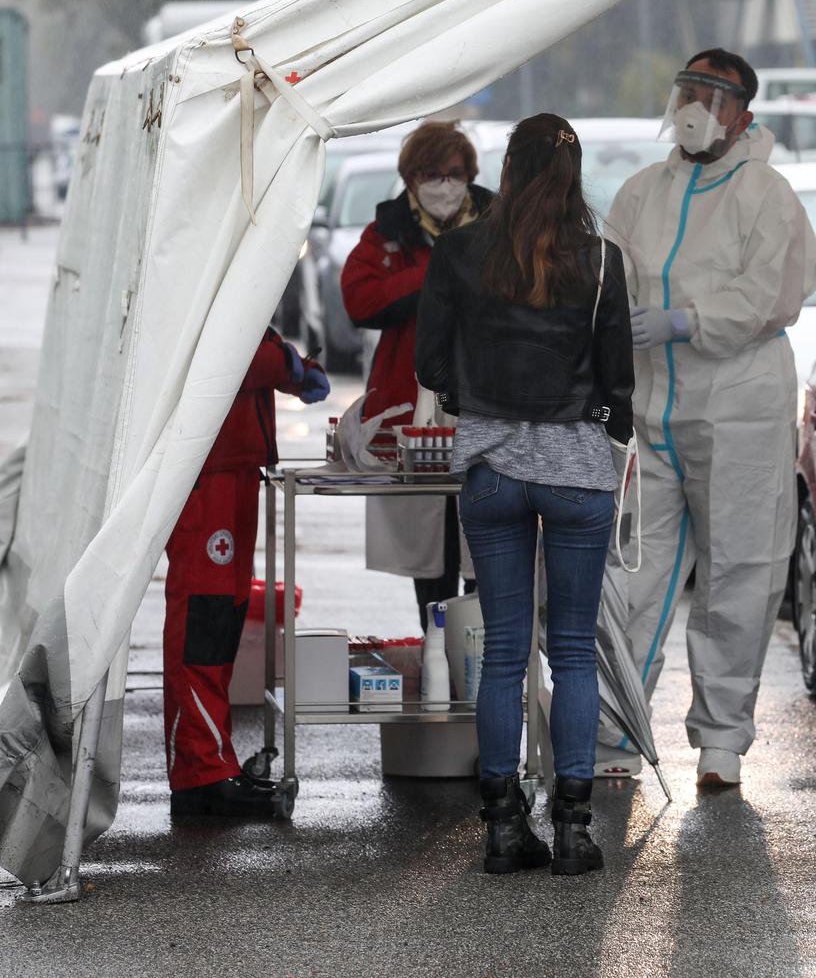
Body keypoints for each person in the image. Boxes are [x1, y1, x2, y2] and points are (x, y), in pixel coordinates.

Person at [416, 113, 634, 876]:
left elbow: (429, 360)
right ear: (573, 177)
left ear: (506, 171)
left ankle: (503, 828)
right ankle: (573, 830)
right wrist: (599, 422)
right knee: (573, 652)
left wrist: (476, 401)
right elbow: (618, 382)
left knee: (506, 653)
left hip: (492, 469)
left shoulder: (460, 250)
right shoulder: (602, 261)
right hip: (577, 472)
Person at [602, 48, 816, 787]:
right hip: (648, 410)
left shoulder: (767, 195)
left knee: (738, 572)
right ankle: (613, 727)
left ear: (744, 113)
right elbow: (607, 276)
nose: (694, 105)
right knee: (635, 573)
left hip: (738, 408)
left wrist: (684, 322)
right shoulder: (641, 192)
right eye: (687, 89)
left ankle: (722, 738)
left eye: (713, 94)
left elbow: (773, 296)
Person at [167, 330, 329, 817]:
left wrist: (289, 365)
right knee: (204, 615)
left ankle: (212, 762)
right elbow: (227, 349)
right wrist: (288, 364)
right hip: (207, 468)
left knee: (225, 612)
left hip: (233, 464)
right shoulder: (203, 266)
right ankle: (200, 773)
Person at [342, 122, 494, 628]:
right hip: (413, 415)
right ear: (410, 179)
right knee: (429, 549)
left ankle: (478, 664)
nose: (444, 185)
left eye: (454, 174)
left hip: (487, 406)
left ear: (470, 175)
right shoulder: (387, 230)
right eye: (432, 174)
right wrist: (434, 272)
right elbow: (360, 299)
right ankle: (438, 654)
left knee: (488, 541)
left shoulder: (499, 222)